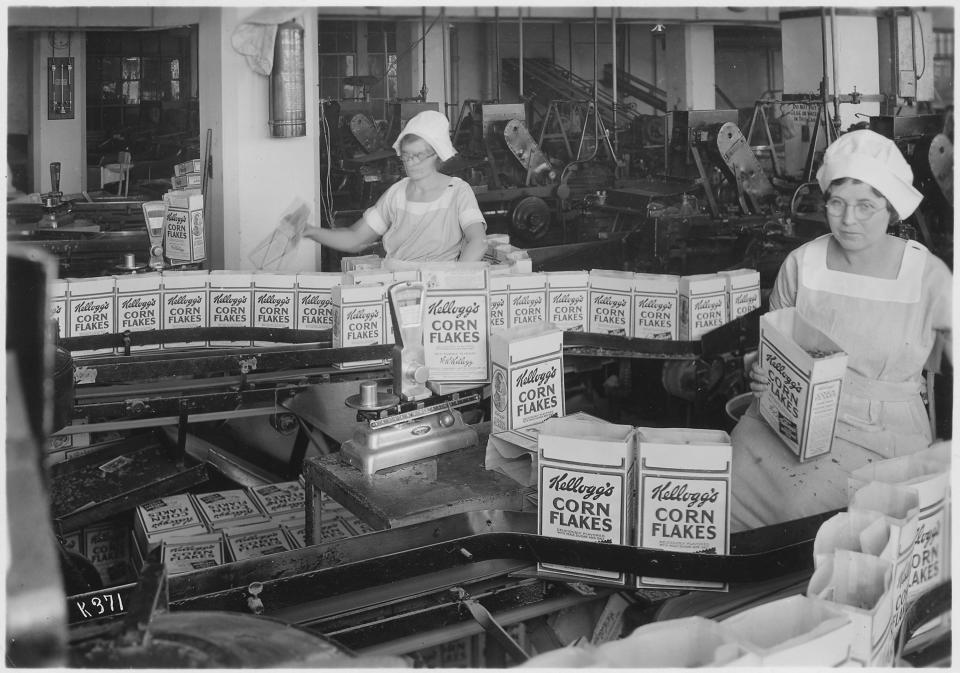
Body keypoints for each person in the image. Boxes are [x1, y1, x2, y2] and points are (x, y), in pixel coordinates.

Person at [731, 129, 953, 532]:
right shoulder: (802, 263)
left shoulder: (927, 276)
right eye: (837, 203)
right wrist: (759, 370)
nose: (849, 220)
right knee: (720, 488)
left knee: (800, 512)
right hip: (788, 421)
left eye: (866, 206)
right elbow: (773, 349)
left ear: (891, 210)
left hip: (880, 436)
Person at [303, 109, 487, 263]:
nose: (411, 162)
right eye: (406, 155)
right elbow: (356, 239)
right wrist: (310, 231)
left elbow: (477, 241)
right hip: (398, 284)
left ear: (437, 155)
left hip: (439, 288)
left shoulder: (457, 192)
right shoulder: (396, 194)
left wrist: (455, 281)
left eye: (419, 155)